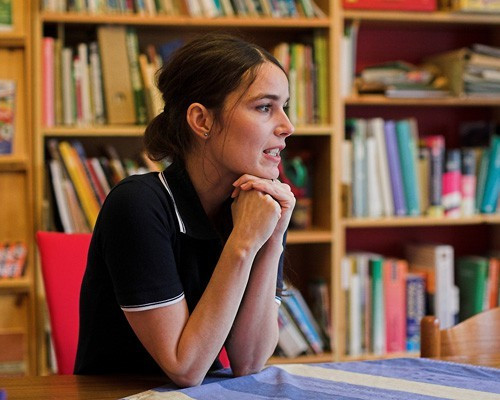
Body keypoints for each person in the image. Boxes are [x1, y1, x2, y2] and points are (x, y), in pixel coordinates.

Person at [74, 33, 295, 387]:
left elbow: (249, 361)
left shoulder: (256, 206)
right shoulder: (137, 205)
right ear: (202, 120)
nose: (287, 127)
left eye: (285, 107)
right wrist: (243, 243)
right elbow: (185, 367)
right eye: (264, 107)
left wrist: (272, 240)